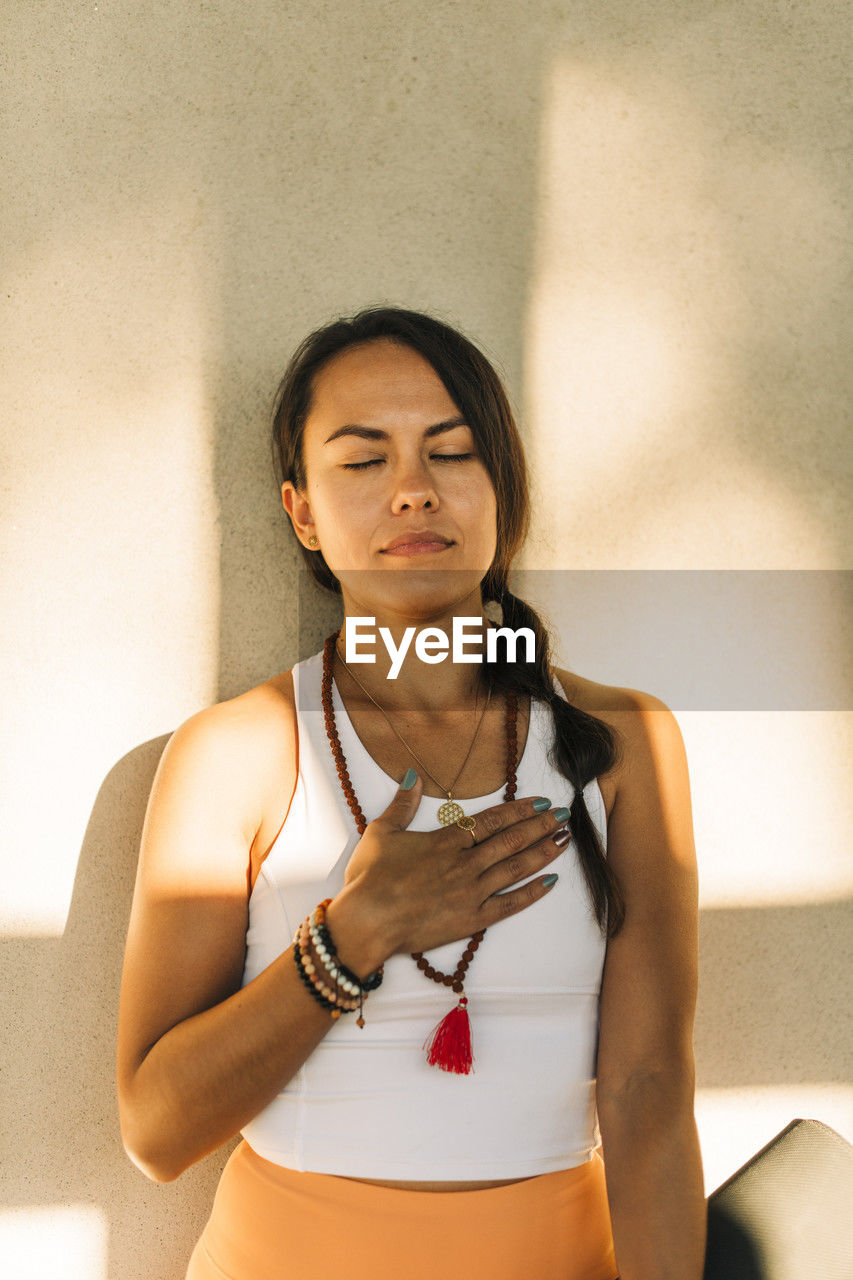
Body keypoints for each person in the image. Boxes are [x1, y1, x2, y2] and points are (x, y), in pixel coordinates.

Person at [116, 306, 707, 1280]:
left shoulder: (625, 745)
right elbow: (155, 1130)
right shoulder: (235, 752)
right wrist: (349, 939)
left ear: (504, 489)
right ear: (301, 509)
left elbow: (648, 1090)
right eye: (363, 460)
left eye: (452, 451)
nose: (413, 492)